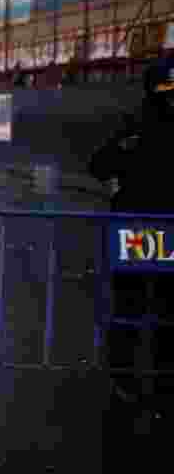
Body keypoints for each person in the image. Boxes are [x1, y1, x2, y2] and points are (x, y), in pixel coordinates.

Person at [89, 54, 174, 407]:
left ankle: (137, 378)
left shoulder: (137, 124)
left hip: (143, 226)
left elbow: (100, 166)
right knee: (139, 304)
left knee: (143, 305)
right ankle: (139, 377)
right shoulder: (137, 126)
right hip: (143, 228)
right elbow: (99, 165)